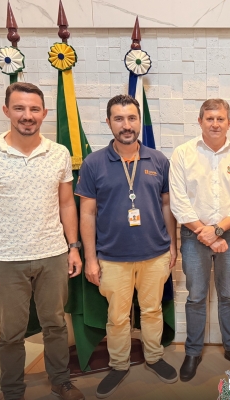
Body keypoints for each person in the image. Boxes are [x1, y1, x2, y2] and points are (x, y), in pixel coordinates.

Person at [0, 82, 84, 400]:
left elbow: (67, 204)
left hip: (53, 255)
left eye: (34, 109)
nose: (27, 115)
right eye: (19, 108)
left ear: (44, 113)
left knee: (55, 324)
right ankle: (12, 390)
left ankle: (61, 381)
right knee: (11, 332)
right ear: (7, 111)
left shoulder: (59, 153)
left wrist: (73, 247)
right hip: (5, 259)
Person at [77, 95, 178, 398]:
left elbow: (167, 206)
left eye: (132, 118)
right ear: (108, 122)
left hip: (155, 254)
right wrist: (90, 258)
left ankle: (154, 357)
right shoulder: (94, 163)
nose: (126, 125)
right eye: (119, 119)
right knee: (118, 317)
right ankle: (119, 364)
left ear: (139, 121)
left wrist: (173, 246)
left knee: (152, 310)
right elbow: (87, 213)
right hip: (112, 257)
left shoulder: (158, 160)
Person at [169, 99, 230, 382]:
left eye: (220, 119)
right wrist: (205, 233)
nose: (215, 124)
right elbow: (179, 202)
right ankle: (193, 352)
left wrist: (216, 231)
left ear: (229, 122)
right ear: (200, 121)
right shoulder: (183, 154)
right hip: (193, 235)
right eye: (209, 118)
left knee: (228, 295)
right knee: (196, 296)